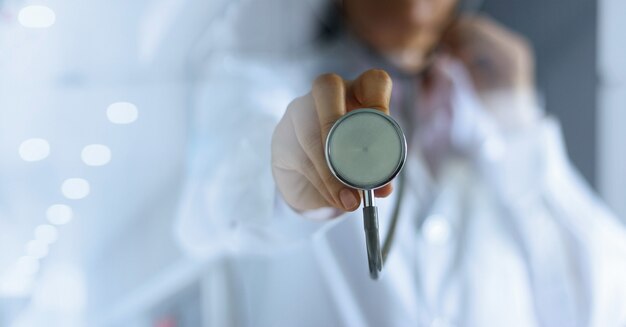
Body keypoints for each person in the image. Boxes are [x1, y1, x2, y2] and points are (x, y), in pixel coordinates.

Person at [176, 0, 626, 325]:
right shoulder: (264, 93)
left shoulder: (499, 126)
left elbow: (606, 299)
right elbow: (205, 216)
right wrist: (287, 186)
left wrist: (522, 130)